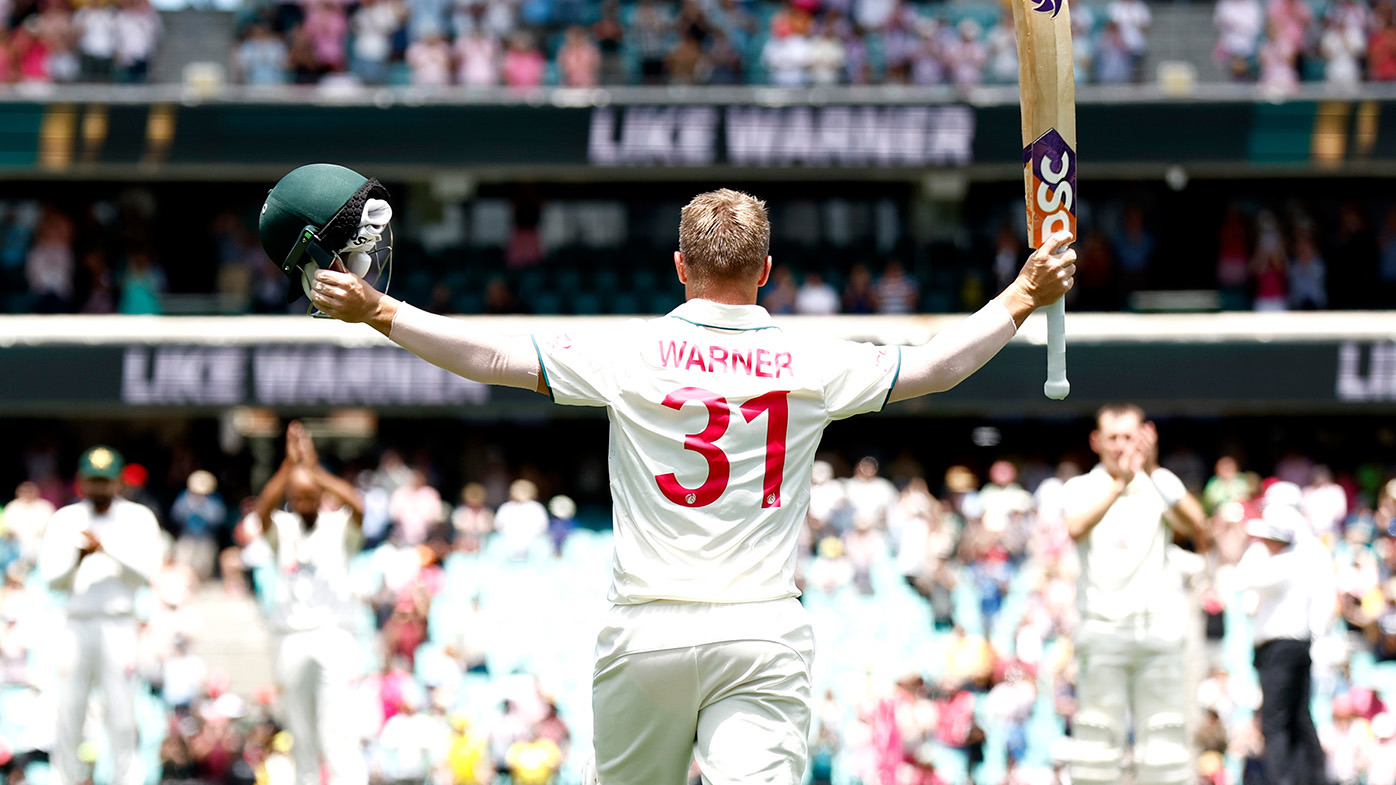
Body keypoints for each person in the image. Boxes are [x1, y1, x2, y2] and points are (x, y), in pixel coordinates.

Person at [271, 169, 1075, 785]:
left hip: (645, 631)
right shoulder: (811, 361)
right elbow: (936, 366)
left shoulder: (631, 353)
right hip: (760, 631)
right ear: (767, 270)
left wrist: (379, 310)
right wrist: (1024, 293)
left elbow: (489, 356)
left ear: (680, 266)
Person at [1062, 403, 1206, 785]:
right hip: (1103, 630)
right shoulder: (1080, 487)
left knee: (1165, 744)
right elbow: (1075, 528)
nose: (1120, 445)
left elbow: (1198, 525)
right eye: (1112, 437)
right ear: (1096, 441)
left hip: (1156, 631)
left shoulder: (1157, 484)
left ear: (1144, 437)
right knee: (1096, 741)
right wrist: (1118, 487)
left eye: (1129, 436)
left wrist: (1154, 469)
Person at [241, 421, 368, 785]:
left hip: (334, 634)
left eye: (311, 497)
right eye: (298, 498)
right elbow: (261, 513)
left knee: (338, 727)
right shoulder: (283, 528)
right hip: (290, 635)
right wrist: (288, 467)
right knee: (300, 729)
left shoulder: (338, 526)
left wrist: (313, 471)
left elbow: (357, 505)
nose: (305, 504)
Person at [38, 446, 162, 785]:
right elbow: (51, 579)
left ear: (119, 483)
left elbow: (147, 573)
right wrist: (78, 557)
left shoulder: (138, 517)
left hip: (118, 622)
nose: (99, 489)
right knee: (68, 711)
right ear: (82, 482)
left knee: (122, 713)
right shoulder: (65, 518)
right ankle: (63, 779)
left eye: (105, 482)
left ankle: (126, 779)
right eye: (93, 481)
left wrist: (106, 548)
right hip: (76, 623)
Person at [1235, 499, 1334, 785]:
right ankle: (1311, 777)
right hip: (1293, 649)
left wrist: (1256, 548)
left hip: (1281, 650)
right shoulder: (1300, 560)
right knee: (1298, 717)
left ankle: (1283, 779)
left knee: (1276, 722)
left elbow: (1242, 577)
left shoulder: (1285, 563)